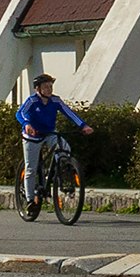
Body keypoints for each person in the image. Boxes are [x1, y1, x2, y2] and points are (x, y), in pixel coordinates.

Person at [17, 72, 87, 209]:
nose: (49, 89)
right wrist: (27, 124)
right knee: (31, 168)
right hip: (32, 136)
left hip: (49, 133)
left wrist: (83, 125)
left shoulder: (55, 100)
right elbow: (20, 113)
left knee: (64, 147)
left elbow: (69, 112)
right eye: (46, 87)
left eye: (50, 86)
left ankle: (62, 171)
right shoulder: (32, 101)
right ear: (38, 89)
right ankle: (30, 201)